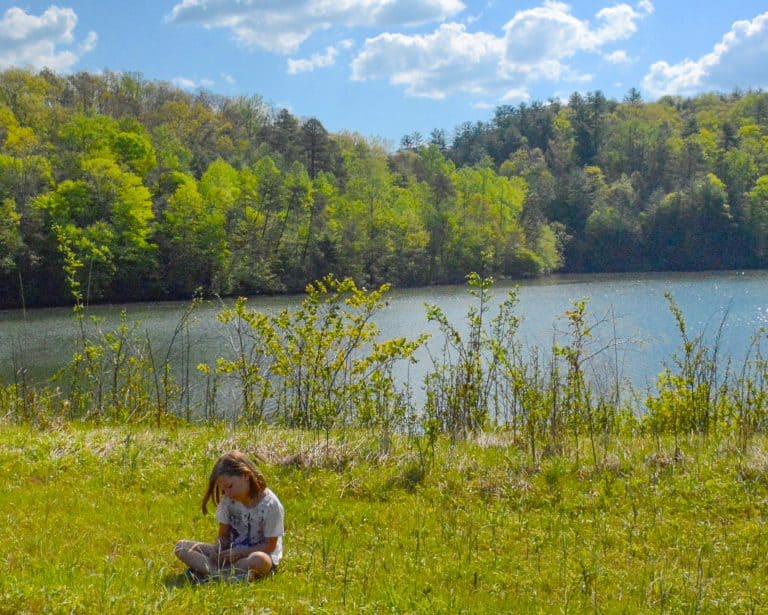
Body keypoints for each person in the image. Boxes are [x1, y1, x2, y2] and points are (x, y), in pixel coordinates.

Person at [174, 451, 285, 582]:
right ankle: (226, 576)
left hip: (253, 557)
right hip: (230, 555)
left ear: (246, 475)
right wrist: (217, 549)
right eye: (223, 489)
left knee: (259, 560)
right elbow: (223, 535)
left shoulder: (270, 505)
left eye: (229, 486)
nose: (227, 493)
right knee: (181, 547)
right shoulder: (228, 500)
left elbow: (269, 546)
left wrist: (241, 553)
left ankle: (207, 572)